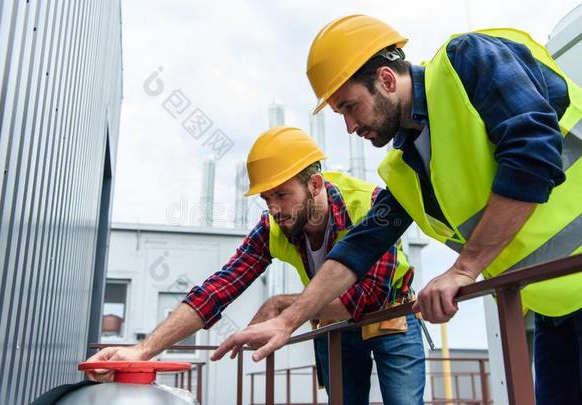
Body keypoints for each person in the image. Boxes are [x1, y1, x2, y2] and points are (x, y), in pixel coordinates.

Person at [212, 15, 582, 404]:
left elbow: (534, 151)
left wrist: (464, 269)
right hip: (552, 309)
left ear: (387, 80)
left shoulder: (469, 60)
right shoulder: (407, 168)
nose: (350, 127)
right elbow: (361, 246)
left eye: (351, 107)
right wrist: (288, 321)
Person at [86, 126, 426, 405]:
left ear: (315, 185)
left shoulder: (367, 205)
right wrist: (141, 351)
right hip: (335, 324)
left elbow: (367, 296)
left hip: (390, 316)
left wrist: (281, 305)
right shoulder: (273, 228)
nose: (274, 208)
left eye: (282, 194)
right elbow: (216, 290)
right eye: (266, 198)